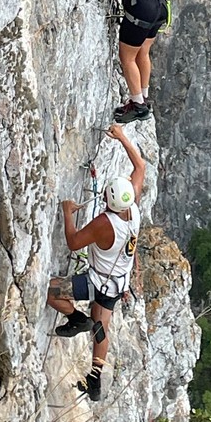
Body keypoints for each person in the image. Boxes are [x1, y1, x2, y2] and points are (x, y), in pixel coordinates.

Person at [46, 123, 145, 402]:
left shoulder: (105, 223)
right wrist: (122, 137)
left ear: (109, 199)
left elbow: (74, 242)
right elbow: (140, 167)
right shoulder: (133, 207)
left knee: (50, 291)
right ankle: (95, 379)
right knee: (101, 327)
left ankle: (76, 318)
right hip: (117, 284)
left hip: (98, 282)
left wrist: (68, 214)